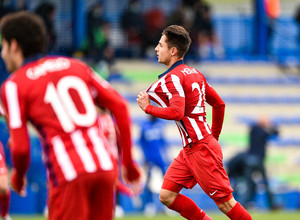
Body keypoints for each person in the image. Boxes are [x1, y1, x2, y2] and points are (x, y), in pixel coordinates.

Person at [0, 11, 141, 220]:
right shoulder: (75, 66)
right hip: (105, 168)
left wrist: (18, 177)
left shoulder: (13, 85)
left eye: (2, 46)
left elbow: (20, 148)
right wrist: (128, 164)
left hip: (69, 173)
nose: (2, 54)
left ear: (14, 45)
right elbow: (120, 105)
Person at [137, 25, 252, 220]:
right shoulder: (194, 73)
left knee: (226, 204)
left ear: (173, 51)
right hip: (192, 149)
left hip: (200, 148)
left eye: (160, 44)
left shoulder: (172, 78)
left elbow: (176, 111)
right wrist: (212, 138)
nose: (156, 48)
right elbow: (219, 105)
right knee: (167, 196)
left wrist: (148, 108)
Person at [138, 115, 170, 215]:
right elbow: (141, 142)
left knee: (167, 182)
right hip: (149, 158)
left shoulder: (161, 124)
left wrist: (166, 155)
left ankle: (167, 205)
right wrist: (145, 157)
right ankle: (149, 205)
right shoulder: (144, 126)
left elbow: (163, 142)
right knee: (148, 182)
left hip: (160, 158)